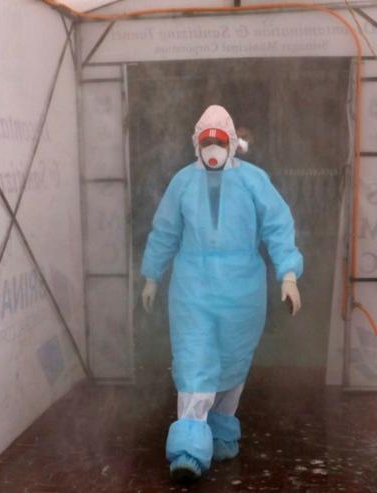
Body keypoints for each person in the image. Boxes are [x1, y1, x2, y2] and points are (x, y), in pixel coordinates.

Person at [141, 105, 303, 482]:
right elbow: (165, 231)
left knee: (233, 361)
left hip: (242, 290)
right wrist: (152, 275)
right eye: (206, 142)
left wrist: (289, 274)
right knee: (194, 359)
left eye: (219, 141)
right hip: (193, 288)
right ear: (195, 143)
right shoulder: (183, 182)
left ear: (232, 142)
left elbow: (278, 226)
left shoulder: (254, 181)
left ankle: (219, 431)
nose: (212, 148)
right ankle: (187, 450)